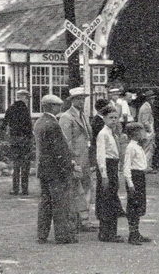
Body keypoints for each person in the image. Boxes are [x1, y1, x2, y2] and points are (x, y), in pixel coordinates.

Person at [36, 94, 77, 245]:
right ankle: (62, 235)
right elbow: (59, 150)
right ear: (52, 106)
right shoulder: (53, 124)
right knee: (60, 203)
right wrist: (69, 166)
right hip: (56, 170)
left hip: (44, 169)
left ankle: (42, 235)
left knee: (45, 203)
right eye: (57, 105)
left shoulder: (40, 121)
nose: (60, 108)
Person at [59, 87, 95, 232]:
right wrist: (71, 160)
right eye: (79, 98)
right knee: (76, 191)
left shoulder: (84, 116)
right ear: (72, 100)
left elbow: (88, 137)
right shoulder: (67, 117)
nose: (82, 101)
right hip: (76, 160)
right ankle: (77, 220)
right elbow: (66, 141)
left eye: (83, 99)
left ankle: (84, 219)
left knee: (87, 188)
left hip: (85, 158)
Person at [96, 105, 126, 243]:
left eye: (116, 118)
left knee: (112, 198)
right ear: (104, 118)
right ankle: (106, 233)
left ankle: (110, 232)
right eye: (111, 118)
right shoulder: (103, 134)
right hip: (107, 167)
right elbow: (101, 155)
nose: (114, 120)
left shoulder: (112, 133)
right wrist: (104, 175)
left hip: (113, 165)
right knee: (106, 200)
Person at [122, 122, 151, 245]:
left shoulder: (138, 146)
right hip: (134, 177)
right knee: (133, 205)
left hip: (140, 176)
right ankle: (132, 234)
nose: (143, 134)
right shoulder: (131, 147)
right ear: (135, 133)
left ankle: (136, 232)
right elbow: (126, 167)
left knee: (139, 204)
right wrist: (130, 183)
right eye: (141, 131)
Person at [2, 89, 33, 196]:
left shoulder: (10, 108)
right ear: (23, 97)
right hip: (25, 141)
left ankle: (15, 189)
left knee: (16, 165)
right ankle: (24, 189)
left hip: (14, 140)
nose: (28, 100)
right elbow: (29, 126)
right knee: (25, 165)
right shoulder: (25, 109)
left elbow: (4, 124)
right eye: (27, 98)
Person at [137, 90, 156, 169]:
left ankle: (146, 166)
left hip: (144, 131)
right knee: (147, 149)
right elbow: (145, 121)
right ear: (149, 99)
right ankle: (146, 167)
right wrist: (150, 131)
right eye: (152, 99)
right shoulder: (146, 107)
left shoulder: (145, 106)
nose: (153, 100)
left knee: (146, 149)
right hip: (146, 132)